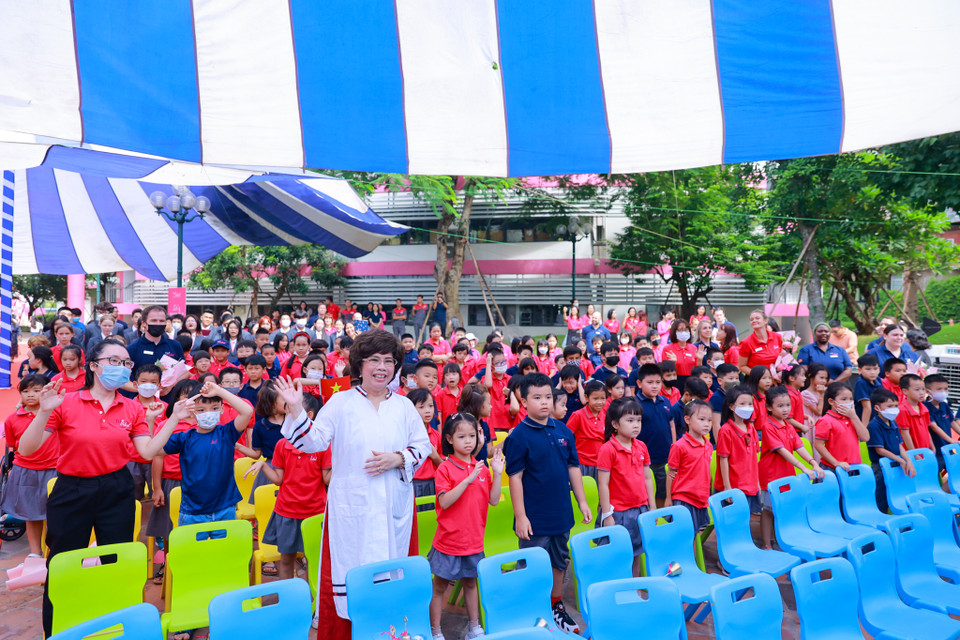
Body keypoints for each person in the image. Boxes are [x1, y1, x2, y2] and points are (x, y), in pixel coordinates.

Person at [19, 340, 190, 636]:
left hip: (116, 489)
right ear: (95, 366)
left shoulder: (132, 407)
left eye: (126, 364)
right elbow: (27, 448)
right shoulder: (66, 402)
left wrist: (173, 419)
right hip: (71, 490)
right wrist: (44, 412)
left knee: (117, 562)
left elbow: (147, 452)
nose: (122, 368)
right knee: (63, 563)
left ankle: (114, 628)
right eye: (114, 361)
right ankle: (58, 629)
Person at [276, 330, 432, 639]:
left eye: (389, 361)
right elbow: (313, 441)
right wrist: (295, 409)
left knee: (392, 573)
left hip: (392, 508)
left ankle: (391, 633)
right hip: (352, 508)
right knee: (351, 572)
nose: (381, 367)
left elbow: (422, 446)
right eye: (374, 359)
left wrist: (398, 458)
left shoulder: (402, 406)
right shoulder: (340, 401)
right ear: (359, 364)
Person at [503, 373, 591, 634]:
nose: (544, 402)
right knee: (531, 562)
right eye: (536, 397)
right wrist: (520, 516)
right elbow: (515, 478)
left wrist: (582, 501)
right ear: (524, 400)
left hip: (561, 512)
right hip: (535, 517)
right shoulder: (518, 437)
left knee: (559, 561)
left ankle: (555, 606)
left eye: (548, 397)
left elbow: (574, 468)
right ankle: (529, 609)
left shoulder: (563, 431)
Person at [428, 413, 504, 640]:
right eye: (462, 436)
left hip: (474, 541)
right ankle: (436, 630)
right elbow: (444, 501)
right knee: (439, 587)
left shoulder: (480, 468)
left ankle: (474, 626)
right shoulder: (445, 469)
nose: (468, 441)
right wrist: (467, 480)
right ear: (450, 439)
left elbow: (493, 499)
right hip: (448, 541)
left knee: (471, 584)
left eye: (472, 435)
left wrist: (497, 474)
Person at [247, 395, 331, 583]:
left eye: (291, 413)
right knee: (286, 559)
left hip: (315, 513)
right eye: (285, 415)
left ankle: (312, 602)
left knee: (313, 558)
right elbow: (278, 480)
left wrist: (342, 461)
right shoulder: (282, 445)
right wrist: (263, 466)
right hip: (287, 512)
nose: (286, 420)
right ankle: (289, 599)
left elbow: (327, 478)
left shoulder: (322, 446)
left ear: (308, 415)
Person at [758, 386, 823, 549]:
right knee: (768, 510)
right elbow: (782, 451)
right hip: (771, 474)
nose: (785, 409)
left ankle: (779, 540)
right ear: (769, 407)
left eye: (787, 405)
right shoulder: (768, 426)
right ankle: (767, 544)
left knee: (781, 508)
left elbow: (799, 447)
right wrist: (803, 468)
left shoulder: (788, 426)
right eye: (780, 406)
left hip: (786, 473)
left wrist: (813, 462)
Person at [1, 375, 58, 560]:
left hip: (54, 469)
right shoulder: (12, 419)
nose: (30, 395)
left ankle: (55, 552)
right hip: (26, 471)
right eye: (25, 391)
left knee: (55, 515)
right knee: (32, 515)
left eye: (36, 390)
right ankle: (35, 553)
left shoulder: (55, 414)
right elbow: (12, 444)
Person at [597, 396, 653, 576]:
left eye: (638, 420)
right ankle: (613, 589)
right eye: (630, 420)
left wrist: (652, 506)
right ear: (615, 423)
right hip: (617, 512)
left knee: (636, 552)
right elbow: (603, 484)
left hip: (639, 509)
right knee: (613, 554)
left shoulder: (642, 446)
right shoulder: (608, 449)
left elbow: (647, 479)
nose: (636, 425)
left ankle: (634, 588)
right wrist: (607, 515)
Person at [665, 400, 714, 532]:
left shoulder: (708, 444)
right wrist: (669, 499)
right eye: (702, 419)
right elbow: (671, 474)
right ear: (687, 420)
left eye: (709, 420)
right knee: (684, 535)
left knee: (694, 534)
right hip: (684, 498)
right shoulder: (679, 446)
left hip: (701, 497)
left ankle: (691, 554)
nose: (707, 424)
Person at [866, 388, 916, 513]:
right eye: (889, 406)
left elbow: (899, 445)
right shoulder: (874, 425)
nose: (893, 409)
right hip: (881, 466)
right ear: (877, 408)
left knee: (896, 492)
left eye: (895, 405)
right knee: (881, 495)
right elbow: (880, 450)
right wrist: (900, 460)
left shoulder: (893, 423)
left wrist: (907, 460)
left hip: (896, 464)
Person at [634, 363, 675, 508]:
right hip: (646, 459)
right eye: (650, 382)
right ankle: (654, 519)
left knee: (664, 491)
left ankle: (662, 517)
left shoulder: (666, 401)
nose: (655, 386)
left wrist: (674, 446)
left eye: (658, 382)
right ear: (639, 383)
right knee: (651, 491)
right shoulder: (635, 404)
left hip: (666, 456)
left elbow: (671, 424)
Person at [715, 386, 761, 514]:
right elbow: (723, 459)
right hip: (732, 486)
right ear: (731, 406)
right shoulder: (726, 430)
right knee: (730, 520)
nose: (747, 407)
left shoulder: (751, 429)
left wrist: (756, 482)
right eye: (742, 404)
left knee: (746, 517)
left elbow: (754, 459)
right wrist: (727, 487)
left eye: (750, 403)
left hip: (749, 484)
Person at [814, 382, 870, 472]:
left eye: (850, 399)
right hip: (833, 468)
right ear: (831, 401)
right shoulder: (826, 420)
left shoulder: (852, 418)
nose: (848, 402)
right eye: (843, 399)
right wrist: (836, 463)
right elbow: (818, 445)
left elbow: (865, 437)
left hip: (853, 467)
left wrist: (854, 416)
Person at [127, 306, 186, 389]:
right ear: (144, 324)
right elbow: (125, 378)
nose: (158, 324)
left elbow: (184, 372)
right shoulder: (132, 348)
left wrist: (171, 386)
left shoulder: (175, 345)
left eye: (161, 321)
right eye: (154, 320)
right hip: (141, 398)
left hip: (168, 397)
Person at [898, 373, 951, 452]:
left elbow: (927, 430)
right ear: (905, 391)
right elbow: (905, 434)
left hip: (925, 451)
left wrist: (932, 447)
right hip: (912, 453)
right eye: (917, 390)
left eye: (923, 389)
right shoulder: (902, 410)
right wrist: (914, 453)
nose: (921, 392)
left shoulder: (924, 408)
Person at [567, 380, 607, 482]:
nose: (599, 402)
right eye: (595, 398)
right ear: (586, 398)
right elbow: (567, 436)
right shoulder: (578, 415)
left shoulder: (606, 416)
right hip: (581, 463)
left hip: (600, 463)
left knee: (598, 493)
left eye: (603, 398)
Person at [409, 388, 443, 500]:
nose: (428, 410)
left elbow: (442, 466)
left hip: (433, 482)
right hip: (413, 483)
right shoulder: (406, 436)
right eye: (421, 407)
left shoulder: (437, 435)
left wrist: (434, 456)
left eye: (430, 406)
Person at [924, 374, 960, 470]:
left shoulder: (944, 405)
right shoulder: (924, 407)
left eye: (946, 389)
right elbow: (934, 427)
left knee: (954, 473)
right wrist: (953, 441)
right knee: (935, 476)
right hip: (935, 450)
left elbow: (952, 422)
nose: (943, 392)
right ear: (927, 391)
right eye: (939, 389)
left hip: (949, 448)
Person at [738, 309, 783, 376]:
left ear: (765, 321)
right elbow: (742, 366)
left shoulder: (777, 337)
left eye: (757, 318)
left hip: (776, 378)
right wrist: (761, 377)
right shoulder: (746, 342)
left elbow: (782, 357)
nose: (754, 321)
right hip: (756, 381)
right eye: (751, 319)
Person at [662, 320, 704, 384]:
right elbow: (665, 370)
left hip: (692, 381)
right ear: (674, 332)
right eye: (680, 330)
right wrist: (673, 363)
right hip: (676, 381)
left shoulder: (693, 348)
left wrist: (700, 359)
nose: (683, 332)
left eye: (686, 330)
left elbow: (697, 369)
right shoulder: (668, 349)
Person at [854, 354, 883, 425]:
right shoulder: (861, 383)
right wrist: (864, 428)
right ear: (859, 370)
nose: (872, 372)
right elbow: (866, 407)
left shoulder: (878, 380)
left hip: (876, 419)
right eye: (868, 369)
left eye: (875, 369)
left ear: (879, 369)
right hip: (865, 420)